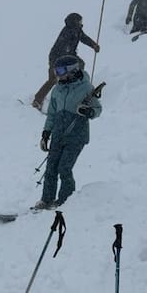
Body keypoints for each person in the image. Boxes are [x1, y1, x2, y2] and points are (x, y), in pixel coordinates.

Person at [35, 54, 102, 209]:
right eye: (55, 71)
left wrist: (88, 112)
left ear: (72, 70)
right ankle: (47, 200)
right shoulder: (57, 90)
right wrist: (46, 133)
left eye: (60, 71)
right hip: (58, 134)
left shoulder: (85, 88)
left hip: (76, 135)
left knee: (64, 168)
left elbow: (97, 109)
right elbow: (52, 113)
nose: (57, 75)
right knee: (51, 167)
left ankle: (65, 201)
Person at [32, 13, 100, 110]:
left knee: (80, 65)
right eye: (80, 21)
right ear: (75, 22)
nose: (81, 23)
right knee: (52, 79)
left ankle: (77, 89)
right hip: (56, 59)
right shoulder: (68, 32)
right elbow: (65, 49)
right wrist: (70, 62)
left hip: (68, 58)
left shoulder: (77, 30)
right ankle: (37, 101)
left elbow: (84, 38)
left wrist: (94, 45)